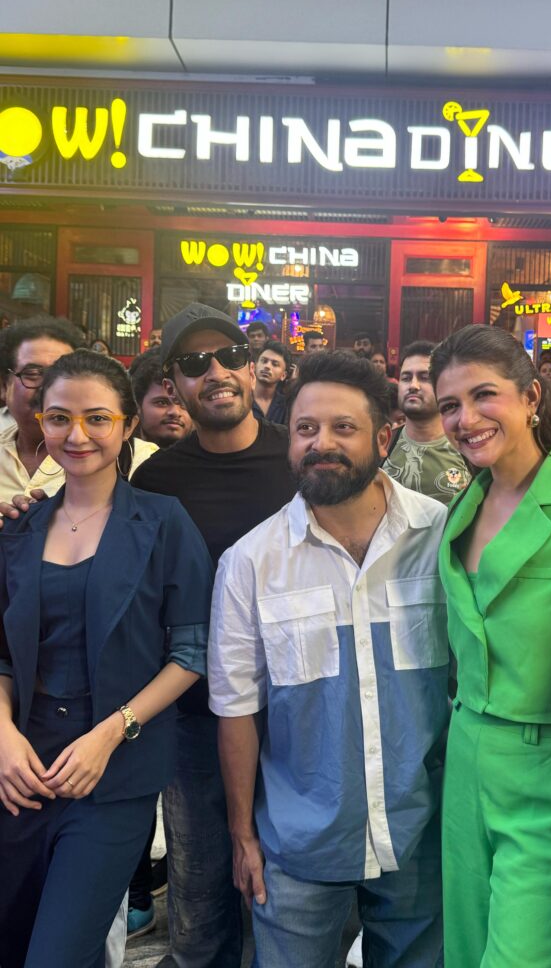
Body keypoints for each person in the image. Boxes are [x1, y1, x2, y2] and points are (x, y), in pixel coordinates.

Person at [208, 351, 448, 968]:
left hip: (420, 833)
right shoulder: (251, 562)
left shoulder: (440, 536)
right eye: (306, 429)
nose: (322, 444)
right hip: (297, 845)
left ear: (383, 439)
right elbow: (236, 709)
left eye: (344, 428)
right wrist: (242, 835)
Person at [0, 350, 213, 968]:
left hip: (112, 776)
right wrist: (4, 736)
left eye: (97, 418)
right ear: (41, 421)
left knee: (57, 953)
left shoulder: (163, 521)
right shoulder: (20, 527)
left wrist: (111, 733)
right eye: (59, 418)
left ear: (127, 426)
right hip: (20, 769)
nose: (78, 435)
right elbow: (4, 654)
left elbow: (191, 651)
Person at [432, 324, 551, 968]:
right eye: (450, 405)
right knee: (465, 954)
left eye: (483, 395)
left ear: (531, 396)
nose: (466, 419)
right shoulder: (462, 507)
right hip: (467, 764)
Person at [130, 303, 295, 968]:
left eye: (229, 356)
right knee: (199, 902)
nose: (217, 372)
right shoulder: (157, 479)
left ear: (252, 367)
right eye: (195, 363)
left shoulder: (299, 457)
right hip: (195, 716)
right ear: (173, 383)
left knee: (295, 896)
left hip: (297, 710)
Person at [0, 317, 156, 502]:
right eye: (33, 374)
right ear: (4, 385)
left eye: (63, 373)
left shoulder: (144, 461)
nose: (49, 386)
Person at [382, 340, 470, 505]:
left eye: (424, 377)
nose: (413, 385)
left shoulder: (469, 448)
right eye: (406, 378)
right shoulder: (382, 445)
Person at [129, 350, 192, 449]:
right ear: (138, 406)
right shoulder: (117, 455)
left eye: (183, 403)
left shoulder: (208, 455)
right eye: (162, 402)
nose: (175, 412)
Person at [252, 341, 291, 425]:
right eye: (264, 361)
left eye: (275, 364)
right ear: (254, 366)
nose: (267, 366)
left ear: (283, 375)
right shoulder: (241, 399)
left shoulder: (287, 405)